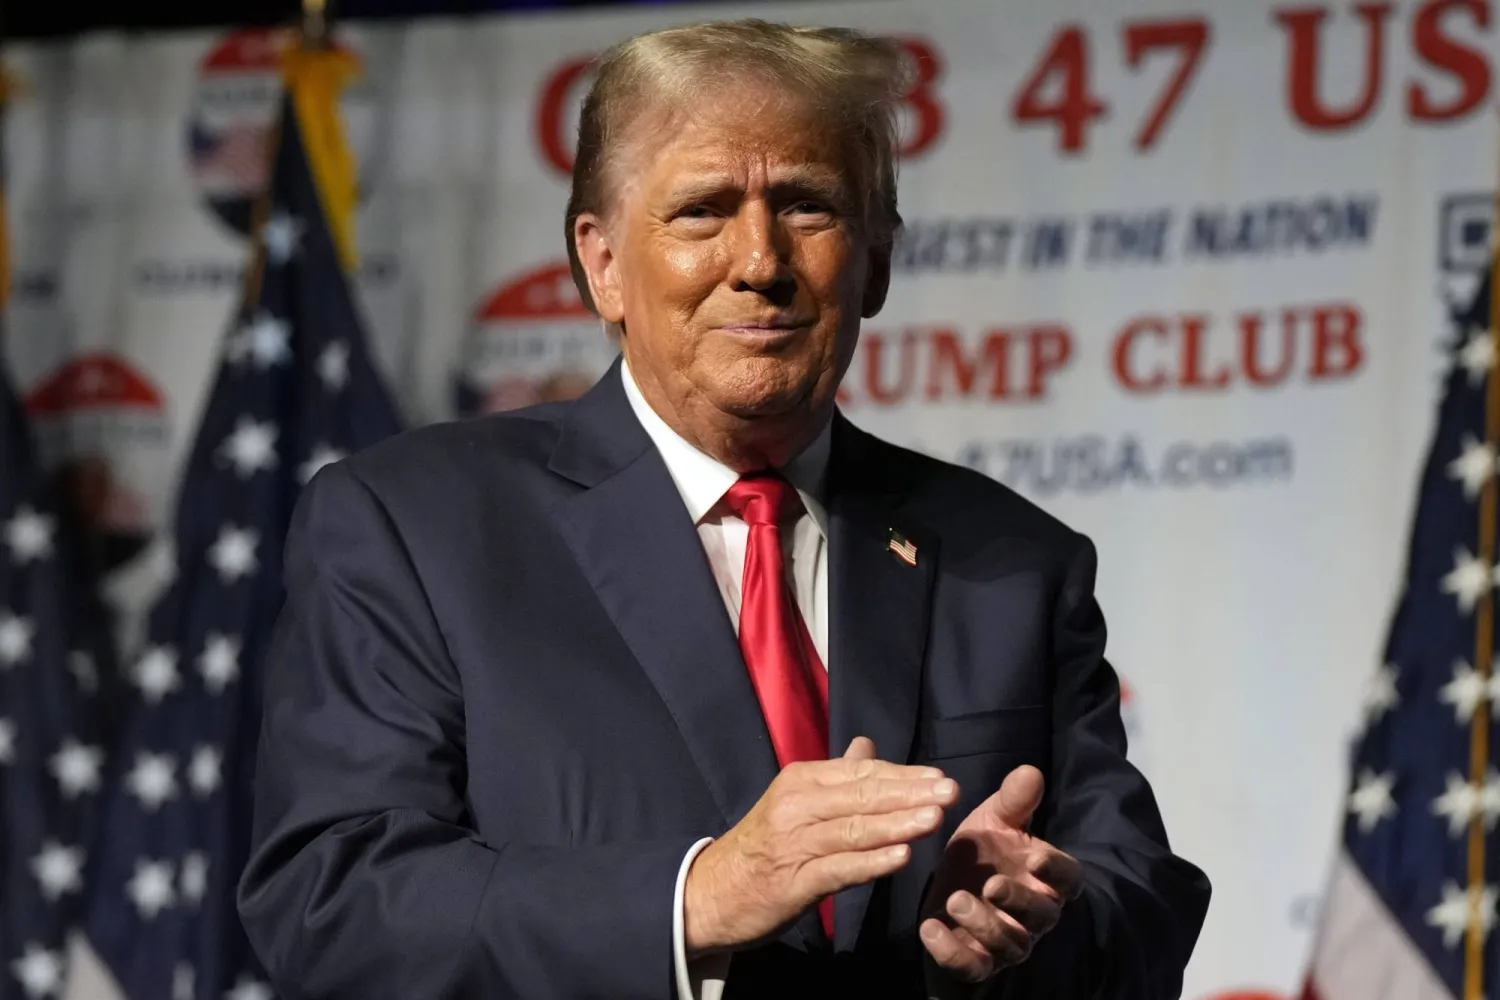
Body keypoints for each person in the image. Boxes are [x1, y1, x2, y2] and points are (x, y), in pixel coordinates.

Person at [238, 19, 1210, 999]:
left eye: (808, 206)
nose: (760, 261)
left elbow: (1141, 900)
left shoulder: (1012, 563)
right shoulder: (415, 529)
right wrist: (695, 897)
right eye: (703, 210)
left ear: (875, 261)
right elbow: (336, 903)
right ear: (604, 263)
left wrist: (1036, 929)